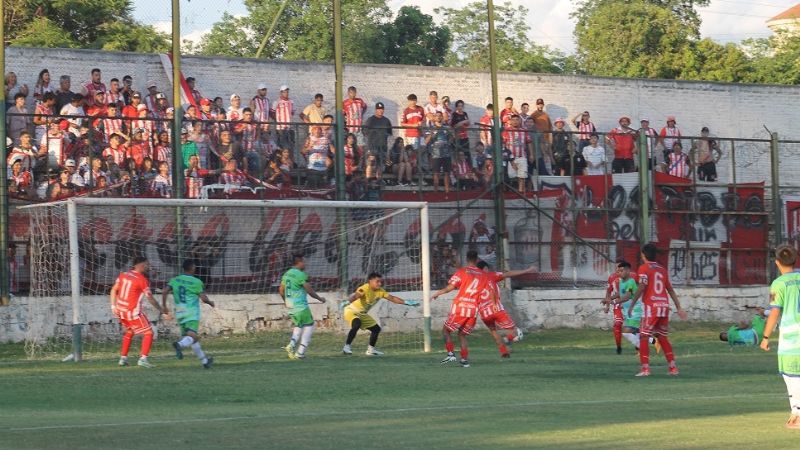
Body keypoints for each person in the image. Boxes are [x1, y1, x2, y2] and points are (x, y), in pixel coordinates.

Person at [627, 243, 688, 376]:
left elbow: (642, 286)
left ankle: (645, 369)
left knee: (643, 336)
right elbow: (670, 290)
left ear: (643, 255)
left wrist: (632, 304)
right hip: (664, 306)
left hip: (652, 307)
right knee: (662, 337)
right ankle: (673, 368)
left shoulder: (643, 268)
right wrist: (678, 307)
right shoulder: (662, 269)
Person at [761, 244, 800, 428]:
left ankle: (798, 414)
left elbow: (775, 312)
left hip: (792, 338)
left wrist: (766, 336)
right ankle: (795, 413)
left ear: (777, 263)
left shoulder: (778, 284)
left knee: (792, 376)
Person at [432, 250, 492, 368]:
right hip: (473, 310)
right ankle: (464, 360)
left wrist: (438, 293)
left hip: (461, 307)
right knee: (462, 335)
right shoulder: (484, 275)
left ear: (467, 259)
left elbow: (450, 287)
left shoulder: (462, 271)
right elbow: (488, 292)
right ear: (477, 259)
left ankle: (450, 354)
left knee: (446, 331)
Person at [109, 256, 169, 368]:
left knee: (130, 331)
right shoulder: (141, 279)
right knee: (149, 333)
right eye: (146, 264)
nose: (148, 267)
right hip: (132, 312)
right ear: (139, 264)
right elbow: (150, 298)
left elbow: (113, 289)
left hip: (120, 311)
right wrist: (162, 310)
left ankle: (123, 358)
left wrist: (113, 306)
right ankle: (143, 359)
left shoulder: (123, 275)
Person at [341, 272, 418, 356]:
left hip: (362, 313)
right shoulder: (364, 288)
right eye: (377, 281)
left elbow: (392, 298)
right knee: (357, 324)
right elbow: (356, 296)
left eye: (380, 281)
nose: (380, 283)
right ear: (370, 281)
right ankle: (346, 347)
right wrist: (348, 301)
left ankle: (371, 350)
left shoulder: (381, 291)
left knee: (376, 329)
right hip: (351, 310)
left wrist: (406, 302)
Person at [162, 260, 214, 369]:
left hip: (180, 313)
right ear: (193, 268)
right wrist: (210, 303)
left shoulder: (175, 280)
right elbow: (204, 299)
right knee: (191, 336)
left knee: (192, 338)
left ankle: (205, 361)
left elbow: (165, 291)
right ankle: (180, 345)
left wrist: (164, 306)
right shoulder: (196, 282)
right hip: (191, 313)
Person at [476, 260, 532, 358]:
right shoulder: (490, 275)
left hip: (484, 313)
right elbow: (508, 274)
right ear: (485, 269)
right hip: (495, 309)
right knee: (515, 331)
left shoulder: (474, 281)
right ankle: (507, 341)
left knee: (494, 332)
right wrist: (527, 270)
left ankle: (504, 352)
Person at [279, 254, 327, 360]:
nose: (305, 264)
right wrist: (320, 299)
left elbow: (281, 290)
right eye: (304, 262)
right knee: (309, 325)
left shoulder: (287, 274)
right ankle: (300, 352)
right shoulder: (301, 275)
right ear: (299, 262)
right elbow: (309, 290)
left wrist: (286, 302)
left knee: (299, 325)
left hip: (291, 306)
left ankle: (291, 345)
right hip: (300, 306)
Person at [602, 261, 642, 353]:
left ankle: (645, 345)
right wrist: (608, 304)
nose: (618, 270)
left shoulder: (633, 277)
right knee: (617, 324)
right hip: (619, 306)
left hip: (631, 306)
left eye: (621, 268)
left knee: (636, 329)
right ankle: (619, 347)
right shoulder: (612, 278)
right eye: (617, 268)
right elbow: (609, 292)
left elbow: (638, 289)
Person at [502, 115, 533, 194]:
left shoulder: (524, 131)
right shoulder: (506, 131)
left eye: (517, 119)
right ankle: (512, 193)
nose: (515, 121)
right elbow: (503, 144)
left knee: (522, 176)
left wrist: (531, 155)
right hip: (510, 158)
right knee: (511, 176)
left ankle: (520, 193)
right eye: (513, 120)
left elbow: (529, 143)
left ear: (520, 121)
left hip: (522, 156)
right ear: (511, 121)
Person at [425, 111, 454, 195]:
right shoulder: (431, 128)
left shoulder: (447, 128)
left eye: (440, 116)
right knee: (436, 173)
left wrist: (449, 142)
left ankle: (447, 191)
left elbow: (452, 138)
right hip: (435, 154)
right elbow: (426, 141)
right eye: (437, 116)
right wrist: (432, 133)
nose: (438, 117)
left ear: (442, 117)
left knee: (447, 173)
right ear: (434, 118)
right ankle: (435, 192)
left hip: (446, 154)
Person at [362, 102, 392, 179]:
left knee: (381, 165)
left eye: (382, 109)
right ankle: (368, 181)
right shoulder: (370, 120)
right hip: (372, 147)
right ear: (375, 110)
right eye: (379, 109)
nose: (380, 111)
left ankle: (379, 181)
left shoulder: (386, 121)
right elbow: (364, 132)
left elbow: (389, 134)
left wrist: (387, 149)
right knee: (370, 164)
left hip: (383, 146)